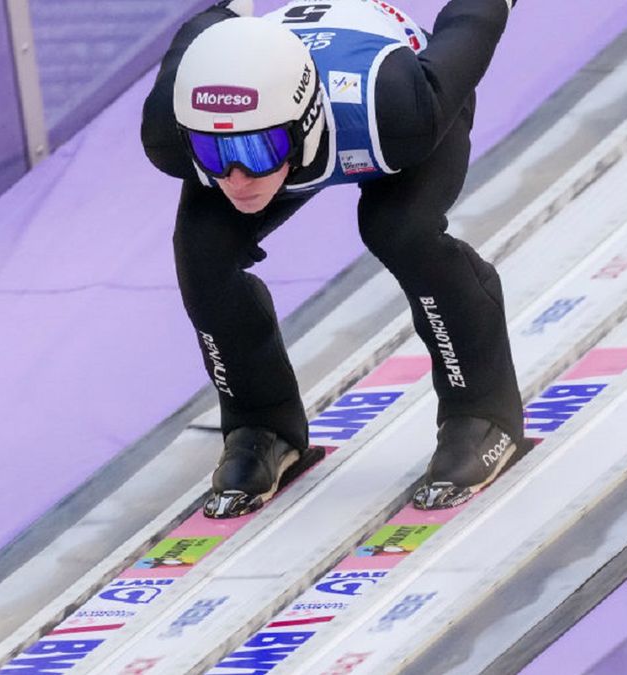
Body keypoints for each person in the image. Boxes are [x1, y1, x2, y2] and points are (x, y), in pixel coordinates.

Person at [141, 0, 528, 517]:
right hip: (295, 107)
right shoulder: (170, 130)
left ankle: (480, 410)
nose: (236, 178)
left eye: (256, 152)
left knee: (400, 229)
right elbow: (206, 24)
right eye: (213, 154)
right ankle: (261, 422)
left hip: (376, 111)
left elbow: (471, 22)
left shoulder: (396, 108)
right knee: (201, 254)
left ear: (303, 124)